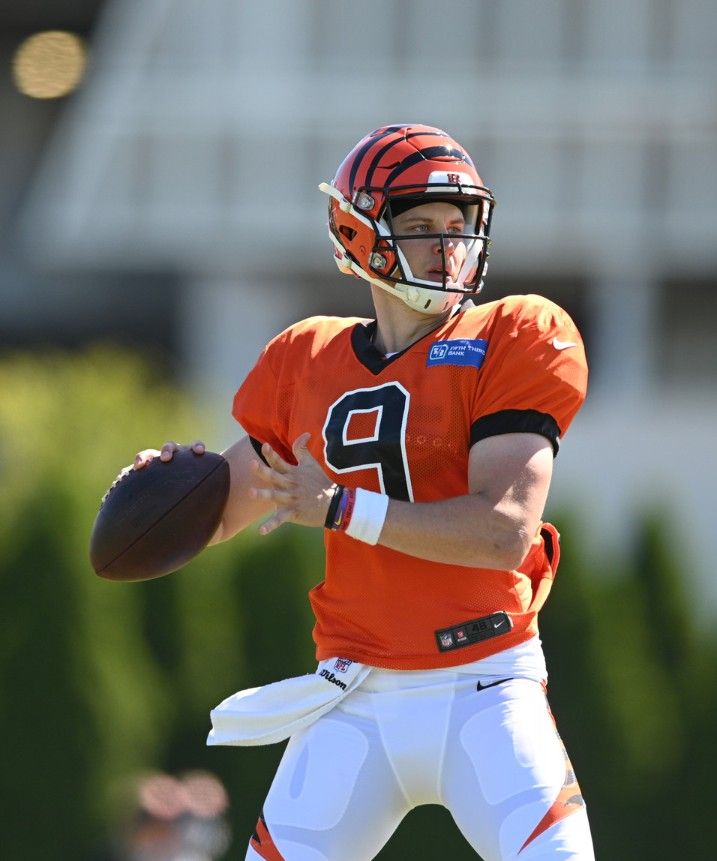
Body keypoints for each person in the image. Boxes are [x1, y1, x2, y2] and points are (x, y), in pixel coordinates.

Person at [135, 124, 595, 860]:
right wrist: (170, 492)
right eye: (420, 227)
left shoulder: (513, 333)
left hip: (486, 685)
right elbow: (223, 511)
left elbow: (503, 529)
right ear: (359, 233)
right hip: (353, 697)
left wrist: (343, 508)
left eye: (457, 225)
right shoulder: (305, 360)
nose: (447, 245)